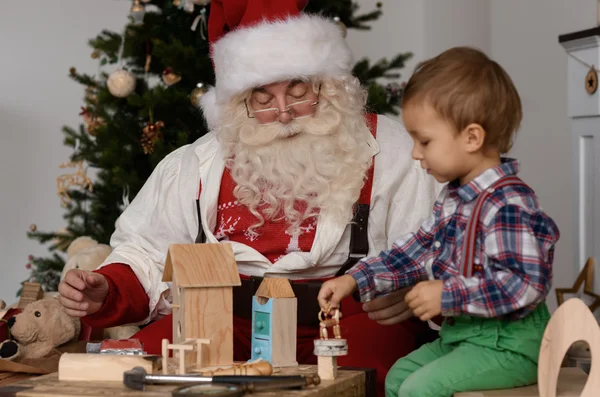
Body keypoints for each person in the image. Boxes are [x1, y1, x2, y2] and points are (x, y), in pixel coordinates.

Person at [58, 0, 440, 395]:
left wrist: (410, 291)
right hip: (223, 318)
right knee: (141, 373)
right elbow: (147, 250)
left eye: (298, 91)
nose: (284, 113)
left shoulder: (392, 150)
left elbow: (436, 245)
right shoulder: (200, 163)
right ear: (241, 101)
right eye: (263, 98)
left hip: (350, 318)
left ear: (327, 85)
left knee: (373, 378)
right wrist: (108, 288)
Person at [317, 46, 561, 397]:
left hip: (508, 345)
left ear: (472, 137)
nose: (415, 153)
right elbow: (411, 253)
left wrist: (449, 295)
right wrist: (353, 280)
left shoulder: (508, 203)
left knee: (421, 388)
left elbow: (522, 285)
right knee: (399, 377)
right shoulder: (453, 198)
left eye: (424, 141)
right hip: (461, 338)